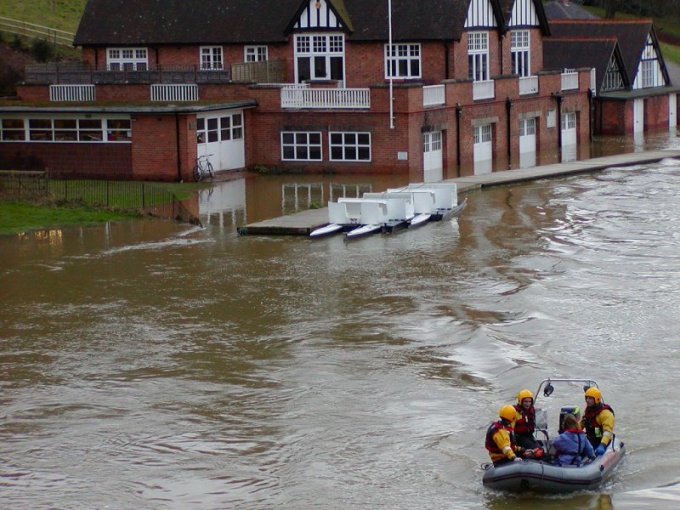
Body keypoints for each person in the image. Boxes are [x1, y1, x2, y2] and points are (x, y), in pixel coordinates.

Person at [581, 386, 615, 456]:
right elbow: (581, 424)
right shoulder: (588, 410)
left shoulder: (605, 414)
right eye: (586, 398)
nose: (587, 400)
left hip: (601, 441)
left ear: (596, 399)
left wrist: (602, 445)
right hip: (591, 438)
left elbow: (608, 432)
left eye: (590, 398)